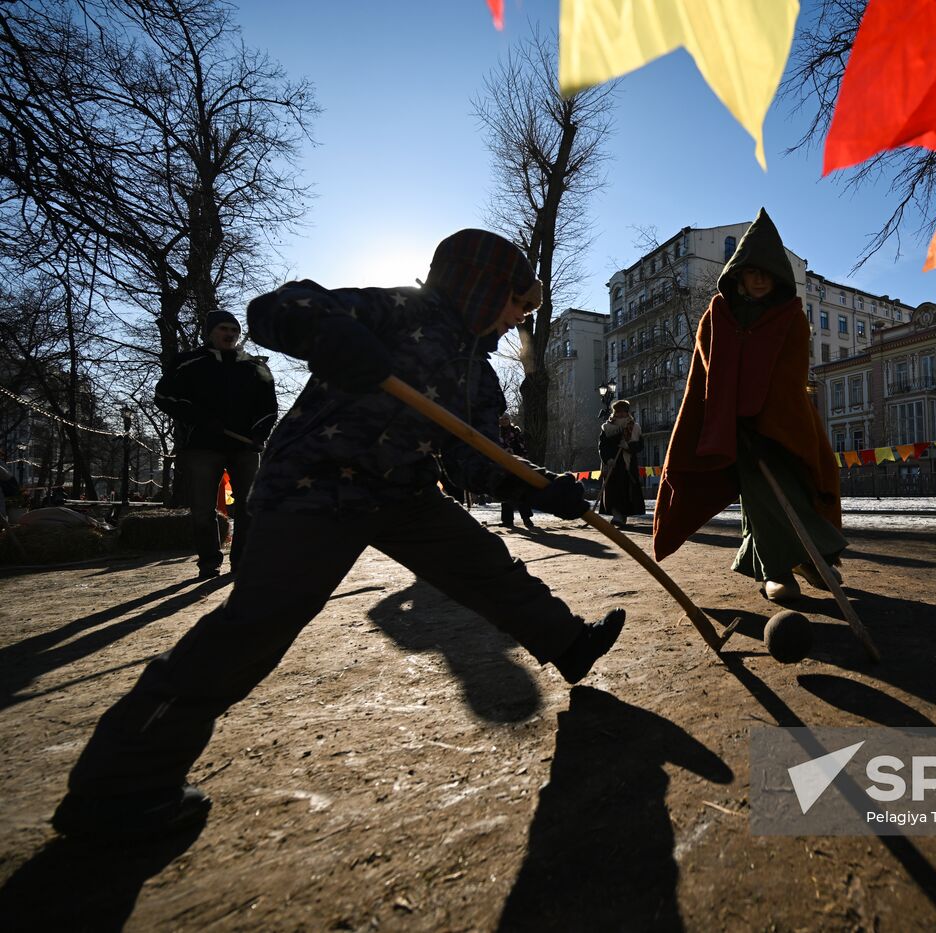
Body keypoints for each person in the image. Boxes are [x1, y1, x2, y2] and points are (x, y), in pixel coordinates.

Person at [50, 229, 625, 839]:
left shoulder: (478, 376)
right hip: (313, 487)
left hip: (403, 494)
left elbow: (474, 462)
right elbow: (279, 306)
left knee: (486, 566)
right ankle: (121, 785)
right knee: (257, 624)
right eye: (517, 304)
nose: (518, 321)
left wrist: (541, 488)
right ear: (482, 287)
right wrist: (326, 331)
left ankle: (568, 644)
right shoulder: (398, 309)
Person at [653, 208, 845, 602]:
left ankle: (808, 555)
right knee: (758, 489)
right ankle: (782, 568)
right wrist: (727, 416)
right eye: (751, 271)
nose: (758, 280)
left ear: (776, 276)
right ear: (739, 273)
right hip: (729, 422)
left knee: (795, 485)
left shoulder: (791, 316)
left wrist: (765, 416)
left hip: (783, 420)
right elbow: (706, 369)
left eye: (766, 272)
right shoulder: (717, 314)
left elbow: (790, 372)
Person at [155, 310, 278, 579]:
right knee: (202, 510)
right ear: (209, 332)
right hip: (202, 446)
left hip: (244, 448)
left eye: (234, 330)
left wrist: (260, 433)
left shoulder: (254, 366)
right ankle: (209, 563)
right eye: (224, 329)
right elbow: (163, 396)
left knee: (248, 507)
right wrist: (197, 417)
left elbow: (269, 407)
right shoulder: (188, 362)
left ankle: (243, 561)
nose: (230, 334)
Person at [597, 399, 645, 528]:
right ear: (615, 413)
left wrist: (628, 446)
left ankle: (622, 516)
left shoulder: (634, 427)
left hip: (628, 465)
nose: (621, 415)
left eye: (623, 412)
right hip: (614, 465)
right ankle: (616, 515)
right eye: (618, 412)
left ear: (627, 412)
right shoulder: (607, 428)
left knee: (626, 491)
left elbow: (640, 446)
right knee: (614, 490)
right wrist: (608, 459)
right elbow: (603, 446)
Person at [497, 412, 535, 530]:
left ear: (509, 420)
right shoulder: (496, 432)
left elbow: (522, 447)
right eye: (502, 419)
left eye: (506, 419)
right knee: (505, 492)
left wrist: (515, 453)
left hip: (517, 464)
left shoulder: (516, 431)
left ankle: (527, 519)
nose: (504, 421)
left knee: (521, 492)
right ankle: (507, 520)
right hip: (503, 466)